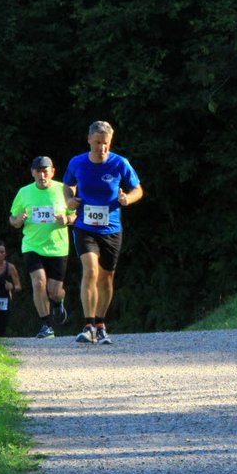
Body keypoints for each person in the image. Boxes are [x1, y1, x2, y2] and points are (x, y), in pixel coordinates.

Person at [63, 121, 143, 345]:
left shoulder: (120, 163)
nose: (102, 148)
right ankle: (88, 325)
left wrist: (127, 199)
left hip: (111, 229)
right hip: (85, 227)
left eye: (106, 143)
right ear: (89, 140)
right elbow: (67, 185)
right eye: (98, 142)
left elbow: (138, 189)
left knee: (107, 278)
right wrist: (69, 199)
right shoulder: (77, 162)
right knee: (90, 270)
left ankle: (100, 324)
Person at [9, 156, 76, 338]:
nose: (42, 175)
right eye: (38, 171)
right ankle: (46, 325)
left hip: (57, 247)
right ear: (33, 173)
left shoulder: (63, 189)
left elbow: (74, 214)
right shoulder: (24, 192)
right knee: (38, 282)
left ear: (52, 172)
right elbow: (13, 219)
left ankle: (58, 301)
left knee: (55, 291)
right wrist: (18, 221)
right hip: (32, 245)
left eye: (45, 171)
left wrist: (67, 219)